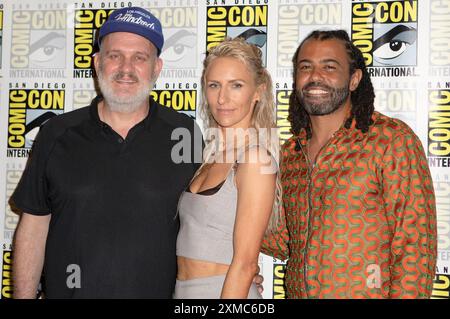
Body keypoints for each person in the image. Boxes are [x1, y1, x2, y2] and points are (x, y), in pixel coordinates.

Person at [11, 7, 202, 298]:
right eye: (115, 56)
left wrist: (235, 271)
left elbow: (205, 223)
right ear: (98, 62)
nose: (126, 68)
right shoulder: (56, 133)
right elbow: (34, 225)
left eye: (140, 57)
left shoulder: (185, 134)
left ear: (157, 68)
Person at [262, 30, 437, 298]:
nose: (315, 76)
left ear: (354, 79)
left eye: (329, 67)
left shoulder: (389, 140)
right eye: (305, 67)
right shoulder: (290, 154)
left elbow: (415, 247)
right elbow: (285, 241)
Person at [173, 38, 281, 299]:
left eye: (236, 85)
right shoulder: (207, 157)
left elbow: (245, 266)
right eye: (214, 85)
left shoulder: (255, 159)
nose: (222, 98)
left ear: (258, 92)